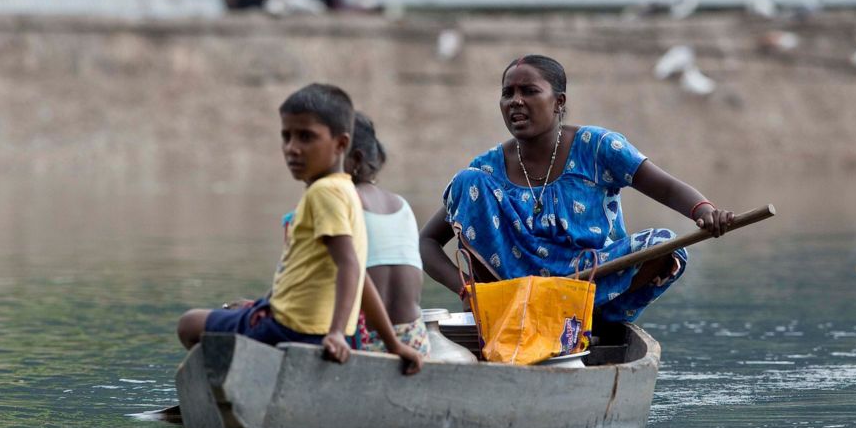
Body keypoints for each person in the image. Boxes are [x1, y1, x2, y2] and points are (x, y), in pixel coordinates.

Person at [420, 55, 735, 323]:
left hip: (588, 286)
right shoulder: (485, 169)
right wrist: (467, 290)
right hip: (516, 299)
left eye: (529, 91)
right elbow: (427, 242)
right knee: (466, 180)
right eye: (508, 93)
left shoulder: (598, 147)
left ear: (559, 102)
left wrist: (705, 212)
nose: (515, 101)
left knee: (666, 245)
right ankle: (519, 316)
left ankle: (582, 322)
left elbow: (665, 188)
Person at [177, 83, 423, 374]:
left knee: (190, 323)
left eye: (306, 137)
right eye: (286, 136)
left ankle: (235, 387)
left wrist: (333, 333)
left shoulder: (323, 194)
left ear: (341, 145)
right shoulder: (346, 192)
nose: (292, 148)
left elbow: (349, 267)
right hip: (315, 327)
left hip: (291, 328)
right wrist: (393, 344)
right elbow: (357, 272)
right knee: (242, 315)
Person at [344, 112, 429, 356]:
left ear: (353, 157)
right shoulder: (401, 205)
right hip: (414, 339)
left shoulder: (341, 201)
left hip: (365, 341)